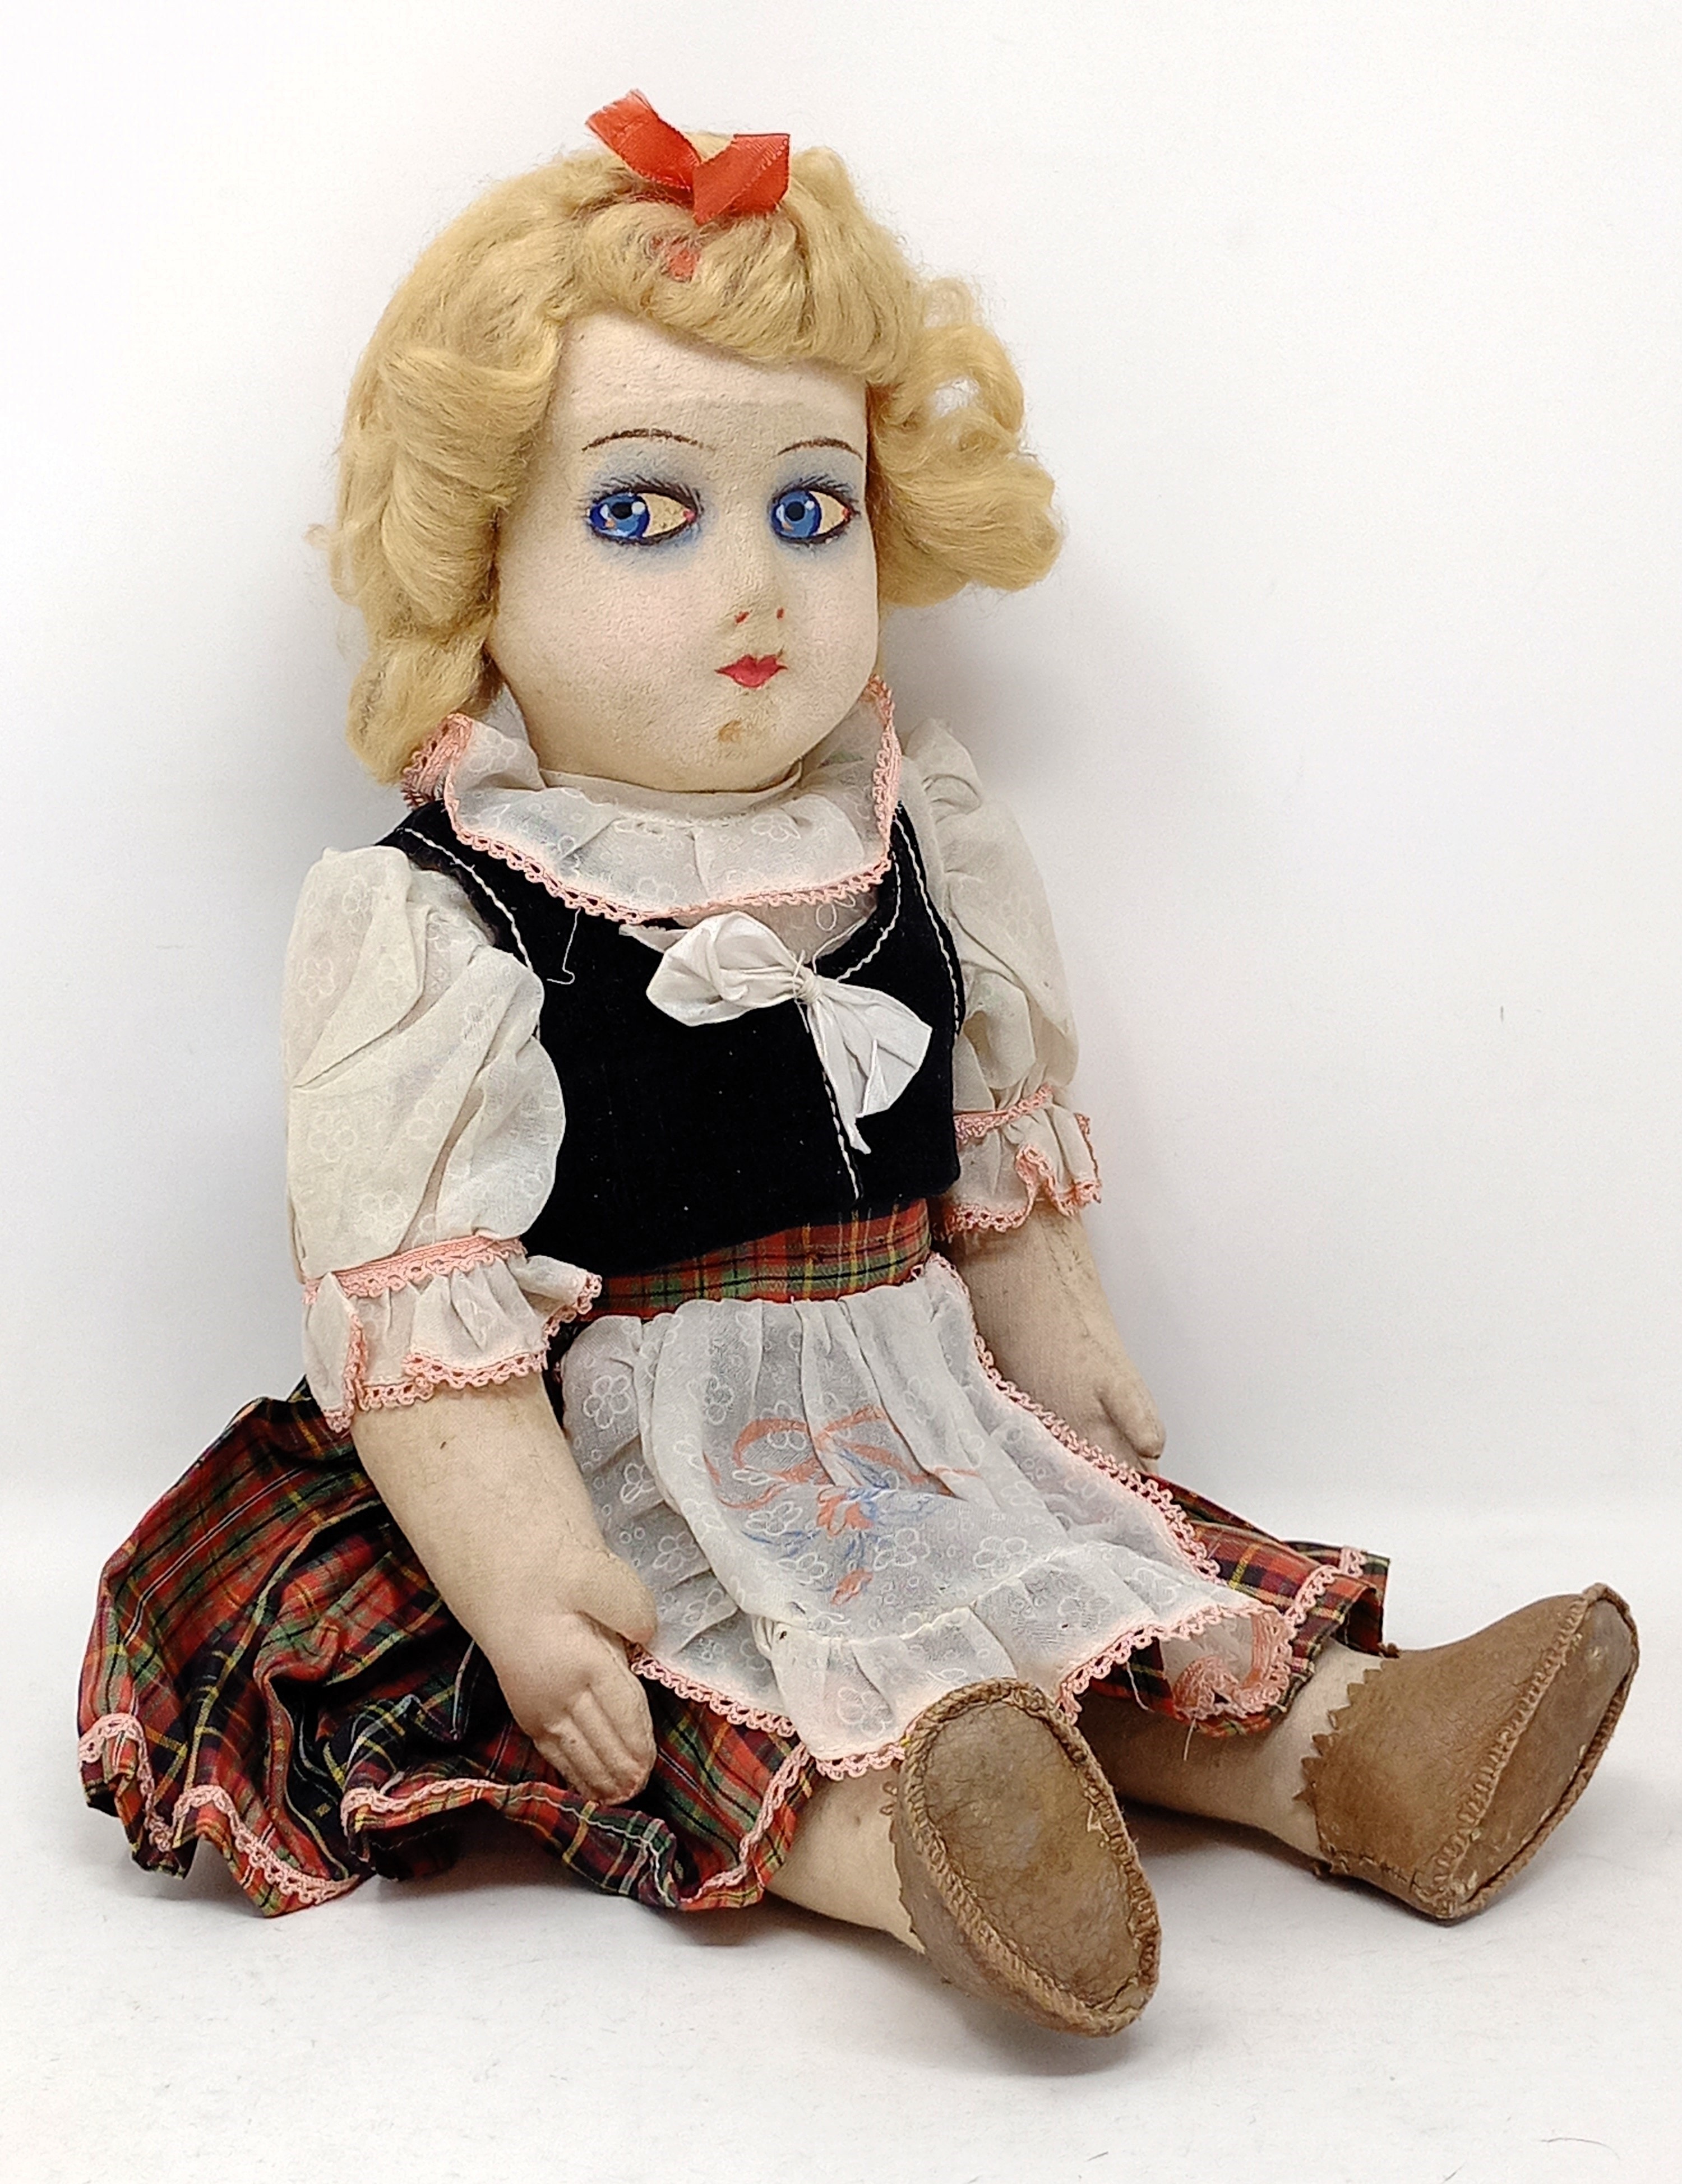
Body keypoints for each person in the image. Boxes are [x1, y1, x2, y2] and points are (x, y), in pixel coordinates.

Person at [80, 92, 1637, 2038]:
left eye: (810, 511)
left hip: (921, 1402)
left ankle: (1359, 1756)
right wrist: (525, 1570)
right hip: (636, 1455)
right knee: (744, 1687)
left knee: (1093, 1574)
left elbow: (989, 1146)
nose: (757, 584)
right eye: (645, 514)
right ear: (481, 562)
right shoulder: (443, 921)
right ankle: (937, 1864)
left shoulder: (914, 836)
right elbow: (421, 1309)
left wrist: (1058, 1330)